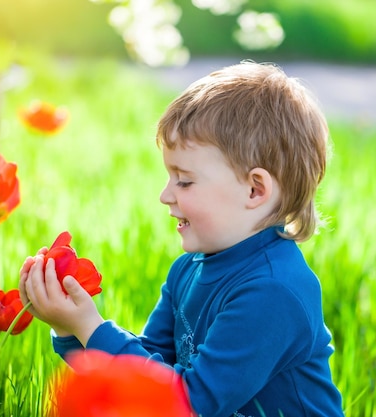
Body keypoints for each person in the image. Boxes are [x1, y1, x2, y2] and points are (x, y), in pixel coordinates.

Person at [19, 61, 344, 417]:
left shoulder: (273, 291)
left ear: (254, 190)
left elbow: (186, 404)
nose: (165, 195)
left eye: (184, 181)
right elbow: (145, 377)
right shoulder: (188, 269)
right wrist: (69, 328)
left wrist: (89, 327)